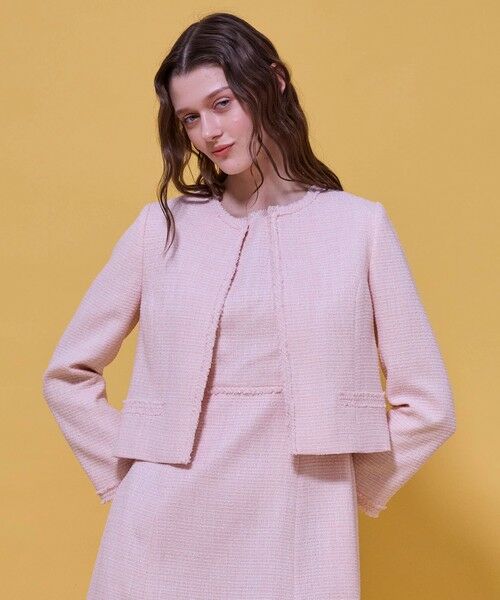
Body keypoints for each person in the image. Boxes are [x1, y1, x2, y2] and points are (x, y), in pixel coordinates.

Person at [42, 12, 456, 600]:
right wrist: (130, 478)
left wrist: (347, 488)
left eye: (223, 103)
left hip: (297, 528)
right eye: (190, 117)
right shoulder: (161, 229)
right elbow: (67, 374)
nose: (209, 131)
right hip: (158, 527)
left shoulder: (357, 228)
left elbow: (429, 405)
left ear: (274, 84)